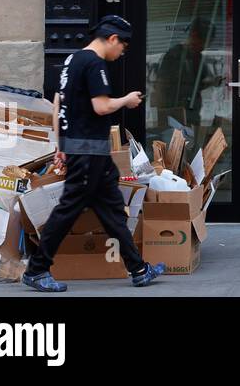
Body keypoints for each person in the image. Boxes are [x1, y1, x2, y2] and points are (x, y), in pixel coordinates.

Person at [22, 15, 166, 292]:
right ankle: (37, 269)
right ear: (112, 39)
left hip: (86, 152)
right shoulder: (94, 64)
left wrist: (60, 146)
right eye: (123, 46)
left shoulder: (72, 61)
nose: (122, 52)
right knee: (67, 210)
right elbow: (101, 107)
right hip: (88, 152)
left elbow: (58, 105)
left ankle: (138, 269)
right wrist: (127, 100)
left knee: (111, 209)